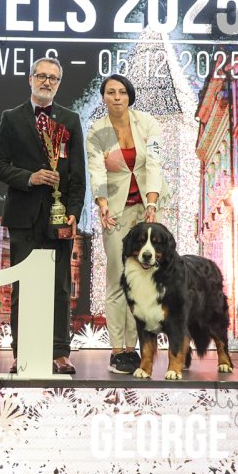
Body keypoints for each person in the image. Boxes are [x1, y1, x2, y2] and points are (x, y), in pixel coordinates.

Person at [0, 57, 85, 374]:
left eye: (53, 78)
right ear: (30, 79)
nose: (46, 82)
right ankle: (24, 352)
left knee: (60, 287)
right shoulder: (11, 118)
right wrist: (29, 178)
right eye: (41, 76)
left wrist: (74, 212)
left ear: (59, 84)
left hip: (60, 219)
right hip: (23, 216)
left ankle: (60, 352)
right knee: (24, 287)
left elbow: (78, 174)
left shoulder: (70, 120)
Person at [85, 74, 164, 374]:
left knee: (142, 282)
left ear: (129, 96)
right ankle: (118, 349)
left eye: (122, 92)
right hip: (115, 213)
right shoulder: (98, 130)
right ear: (104, 97)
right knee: (118, 279)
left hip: (146, 210)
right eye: (110, 92)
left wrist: (152, 204)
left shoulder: (147, 123)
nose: (117, 97)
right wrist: (103, 205)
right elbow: (97, 171)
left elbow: (154, 164)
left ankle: (136, 347)